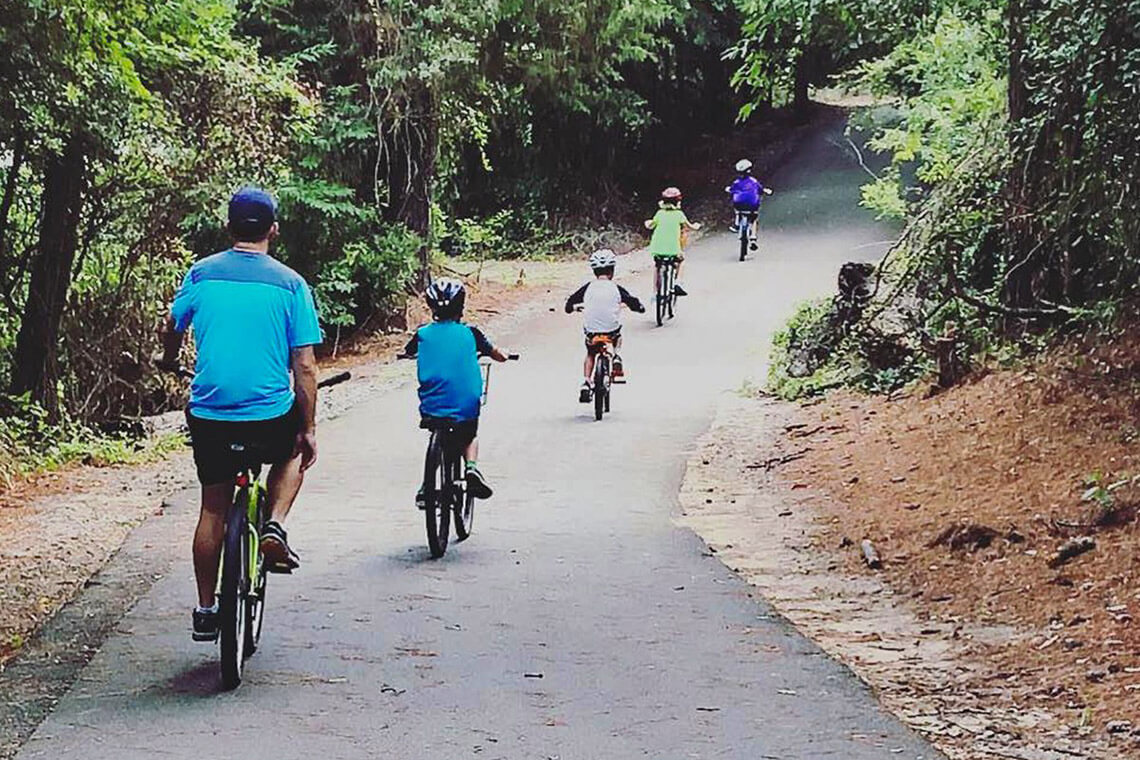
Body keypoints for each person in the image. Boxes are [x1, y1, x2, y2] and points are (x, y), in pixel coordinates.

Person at [157, 186, 322, 643]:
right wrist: (309, 428)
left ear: (228, 226)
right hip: (268, 416)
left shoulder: (201, 274)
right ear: (274, 230)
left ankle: (205, 609)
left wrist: (169, 357)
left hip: (210, 414)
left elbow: (172, 324)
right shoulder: (291, 284)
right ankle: (275, 525)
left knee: (213, 507)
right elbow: (305, 365)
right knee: (294, 451)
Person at [403, 278, 511, 502]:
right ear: (460, 306)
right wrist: (505, 355)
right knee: (469, 435)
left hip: (432, 405)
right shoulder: (471, 333)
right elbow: (497, 354)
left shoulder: (422, 334)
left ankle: (426, 487)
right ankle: (471, 468)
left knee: (436, 436)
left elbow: (408, 351)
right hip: (465, 404)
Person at [564, 249, 645, 403]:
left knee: (590, 353)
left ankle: (587, 382)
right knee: (617, 336)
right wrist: (639, 308)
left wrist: (572, 308)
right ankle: (616, 355)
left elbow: (569, 304)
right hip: (611, 330)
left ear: (594, 271)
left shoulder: (587, 287)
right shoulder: (616, 288)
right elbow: (632, 302)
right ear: (612, 271)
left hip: (592, 332)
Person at [644, 187, 701, 296]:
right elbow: (689, 226)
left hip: (657, 247)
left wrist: (647, 223)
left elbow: (650, 225)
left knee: (657, 267)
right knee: (681, 261)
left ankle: (655, 293)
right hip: (673, 248)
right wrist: (696, 226)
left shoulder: (659, 213)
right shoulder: (679, 214)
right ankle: (678, 282)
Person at [726, 159, 772, 250]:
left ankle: (736, 224)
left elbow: (731, 190)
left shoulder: (736, 182)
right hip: (753, 204)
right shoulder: (754, 181)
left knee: (737, 211)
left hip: (739, 203)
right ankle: (753, 238)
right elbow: (760, 190)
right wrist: (766, 191)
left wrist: (728, 189)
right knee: (754, 219)